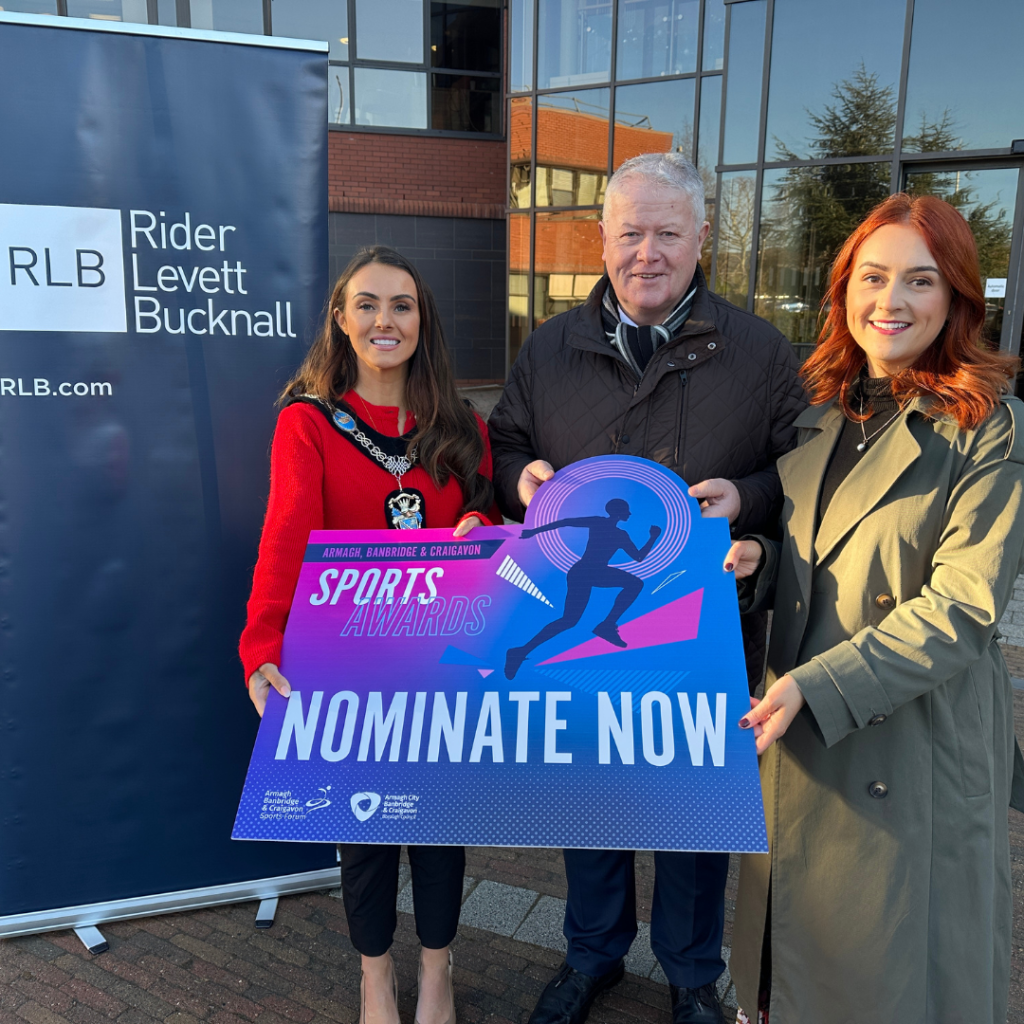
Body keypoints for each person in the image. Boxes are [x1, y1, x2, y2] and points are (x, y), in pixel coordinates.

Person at [487, 152, 806, 1024]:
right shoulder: (550, 348)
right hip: (587, 621)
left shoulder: (763, 353)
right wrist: (521, 480)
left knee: (695, 810)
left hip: (707, 630)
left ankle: (692, 971)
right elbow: (505, 443)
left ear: (703, 237)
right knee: (588, 795)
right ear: (602, 239)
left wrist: (751, 497)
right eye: (631, 232)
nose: (648, 252)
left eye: (669, 232)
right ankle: (591, 954)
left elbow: (804, 467)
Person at [723, 193, 1024, 1024]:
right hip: (804, 728)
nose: (890, 302)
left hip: (907, 739)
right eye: (874, 276)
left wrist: (816, 686)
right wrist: (760, 559)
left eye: (920, 281)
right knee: (800, 971)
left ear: (958, 298)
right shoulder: (825, 412)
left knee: (895, 981)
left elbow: (963, 605)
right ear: (844, 288)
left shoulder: (987, 425)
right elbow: (827, 559)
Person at [239, 245, 501, 1024]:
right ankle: (375, 977)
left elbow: (490, 514)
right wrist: (262, 649)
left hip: (444, 654)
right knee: (368, 829)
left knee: (443, 825)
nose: (385, 320)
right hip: (349, 663)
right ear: (342, 320)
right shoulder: (308, 423)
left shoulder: (460, 424)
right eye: (369, 305)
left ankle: (437, 972)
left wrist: (476, 526)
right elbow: (284, 537)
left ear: (424, 321)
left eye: (402, 305)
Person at [505, 499, 661, 676]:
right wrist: (534, 531)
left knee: (635, 584)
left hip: (596, 571)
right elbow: (566, 522)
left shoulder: (621, 535)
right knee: (569, 620)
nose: (629, 514)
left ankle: (607, 625)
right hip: (584, 572)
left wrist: (652, 538)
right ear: (617, 512)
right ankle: (520, 651)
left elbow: (639, 557)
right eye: (626, 510)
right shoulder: (599, 522)